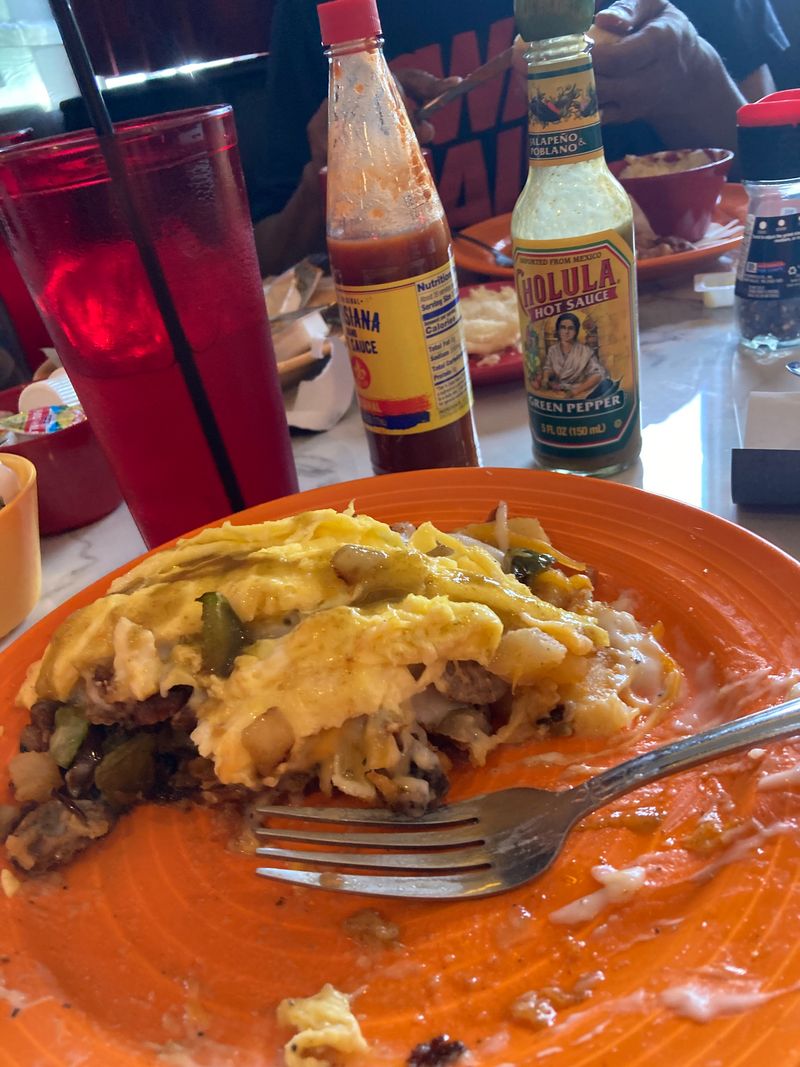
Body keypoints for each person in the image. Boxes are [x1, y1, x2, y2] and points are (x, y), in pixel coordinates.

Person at [253, 0, 788, 276]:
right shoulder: (321, 18)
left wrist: (693, 73)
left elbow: (783, 183)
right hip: (429, 360)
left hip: (683, 332)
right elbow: (268, 262)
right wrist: (337, 174)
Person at [539, 313, 611, 399]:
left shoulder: (585, 351)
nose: (566, 332)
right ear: (558, 330)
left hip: (580, 394)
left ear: (576, 331)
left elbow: (598, 374)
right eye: (563, 327)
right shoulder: (553, 350)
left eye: (571, 328)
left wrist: (575, 391)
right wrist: (545, 377)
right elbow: (548, 367)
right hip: (558, 392)